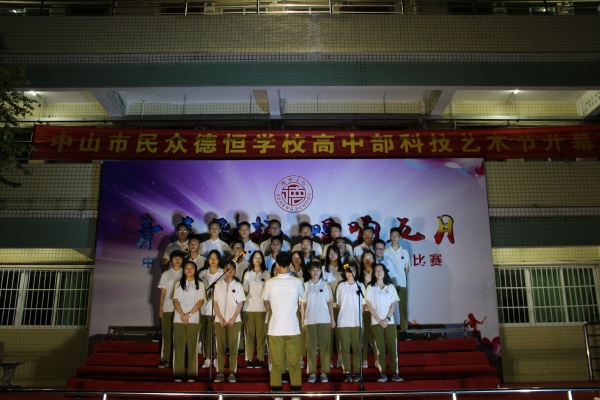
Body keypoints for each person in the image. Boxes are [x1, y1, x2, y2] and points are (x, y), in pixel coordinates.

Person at [262, 252, 305, 397]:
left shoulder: (269, 282)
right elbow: (303, 302)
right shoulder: (297, 282)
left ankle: (277, 395)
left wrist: (273, 311)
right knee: (294, 364)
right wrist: (302, 320)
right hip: (293, 329)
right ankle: (296, 395)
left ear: (277, 265)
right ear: (291, 265)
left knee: (276, 365)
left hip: (276, 329)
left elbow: (265, 300)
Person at [366, 263, 403, 383]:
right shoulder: (370, 287)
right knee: (380, 349)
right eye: (376, 270)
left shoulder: (390, 287)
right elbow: (369, 306)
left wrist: (387, 319)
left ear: (384, 272)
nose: (379, 272)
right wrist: (379, 320)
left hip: (389, 323)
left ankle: (395, 373)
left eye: (381, 270)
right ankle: (382, 373)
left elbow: (393, 305)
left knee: (392, 347)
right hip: (376, 323)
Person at [301, 260, 335, 383]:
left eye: (318, 270)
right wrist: (302, 320)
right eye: (313, 270)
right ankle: (312, 372)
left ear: (321, 271)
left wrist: (332, 319)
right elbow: (303, 305)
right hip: (310, 320)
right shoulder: (305, 285)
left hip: (324, 319)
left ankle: (324, 372)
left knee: (324, 347)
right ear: (309, 271)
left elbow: (330, 303)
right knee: (311, 348)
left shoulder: (326, 285)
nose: (315, 272)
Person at [213, 260, 246, 383]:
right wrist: (221, 318)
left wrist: (233, 318)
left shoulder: (238, 285)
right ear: (223, 270)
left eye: (232, 268)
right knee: (220, 348)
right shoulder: (218, 285)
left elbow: (240, 303)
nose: (229, 270)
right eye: (227, 268)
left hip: (234, 321)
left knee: (233, 348)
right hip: (219, 320)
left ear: (235, 271)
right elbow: (215, 303)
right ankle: (220, 372)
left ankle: (232, 372)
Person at [172, 261, 206, 382]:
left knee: (192, 348)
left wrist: (189, 314)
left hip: (193, 319)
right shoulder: (178, 283)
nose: (189, 269)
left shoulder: (200, 284)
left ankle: (192, 374)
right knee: (179, 347)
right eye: (187, 267)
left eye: (192, 267)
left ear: (195, 270)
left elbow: (201, 301)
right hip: (179, 319)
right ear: (184, 270)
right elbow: (175, 300)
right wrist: (182, 315)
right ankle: (178, 374)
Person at [336, 262, 366, 383]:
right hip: (343, 321)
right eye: (348, 271)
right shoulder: (341, 286)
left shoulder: (361, 286)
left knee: (357, 348)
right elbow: (339, 304)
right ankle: (347, 372)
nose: (350, 273)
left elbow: (363, 305)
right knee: (345, 348)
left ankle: (357, 372)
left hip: (357, 322)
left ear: (356, 272)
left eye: (352, 270)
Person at [242, 250, 270, 369]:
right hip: (248, 308)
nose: (257, 260)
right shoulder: (248, 274)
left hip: (262, 308)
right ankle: (249, 358)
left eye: (259, 258)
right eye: (255, 257)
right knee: (249, 335)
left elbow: (269, 292)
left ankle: (260, 358)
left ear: (262, 260)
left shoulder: (267, 274)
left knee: (260, 335)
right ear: (252, 260)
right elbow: (244, 290)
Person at [157, 249, 185, 368]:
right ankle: (166, 359)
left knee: (179, 336)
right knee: (167, 335)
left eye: (179, 258)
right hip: (168, 307)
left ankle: (178, 360)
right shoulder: (166, 274)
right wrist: (161, 307)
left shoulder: (186, 272)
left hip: (182, 309)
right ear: (171, 260)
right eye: (175, 258)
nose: (177, 260)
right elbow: (163, 292)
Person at [384, 227, 413, 338]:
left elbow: (407, 269)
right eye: (392, 236)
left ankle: (404, 328)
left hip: (402, 284)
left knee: (403, 307)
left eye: (396, 236)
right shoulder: (386, 252)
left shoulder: (405, 252)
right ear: (390, 237)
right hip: (389, 284)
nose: (394, 238)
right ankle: (389, 328)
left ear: (400, 237)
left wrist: (402, 278)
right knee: (388, 307)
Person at [198, 249, 224, 368]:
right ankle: (207, 358)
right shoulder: (202, 273)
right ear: (208, 260)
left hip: (218, 309)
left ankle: (217, 358)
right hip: (204, 308)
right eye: (211, 258)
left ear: (219, 260)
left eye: (216, 258)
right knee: (206, 334)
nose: (213, 260)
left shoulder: (223, 272)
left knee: (217, 335)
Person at [359, 250, 376, 368]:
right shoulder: (359, 274)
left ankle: (377, 359)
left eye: (370, 258)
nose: (368, 261)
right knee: (365, 334)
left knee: (376, 334)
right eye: (365, 258)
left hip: (376, 308)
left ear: (374, 260)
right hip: (364, 307)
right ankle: (364, 359)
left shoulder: (378, 272)